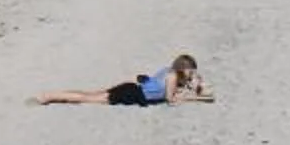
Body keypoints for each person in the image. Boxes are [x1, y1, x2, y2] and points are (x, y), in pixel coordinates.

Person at [33, 54, 212, 106]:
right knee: (89, 98)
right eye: (191, 71)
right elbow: (170, 100)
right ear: (184, 69)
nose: (192, 74)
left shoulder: (169, 71)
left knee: (91, 94)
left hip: (133, 87)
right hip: (133, 93)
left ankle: (52, 95)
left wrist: (195, 84)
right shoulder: (173, 77)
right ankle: (49, 97)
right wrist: (196, 98)